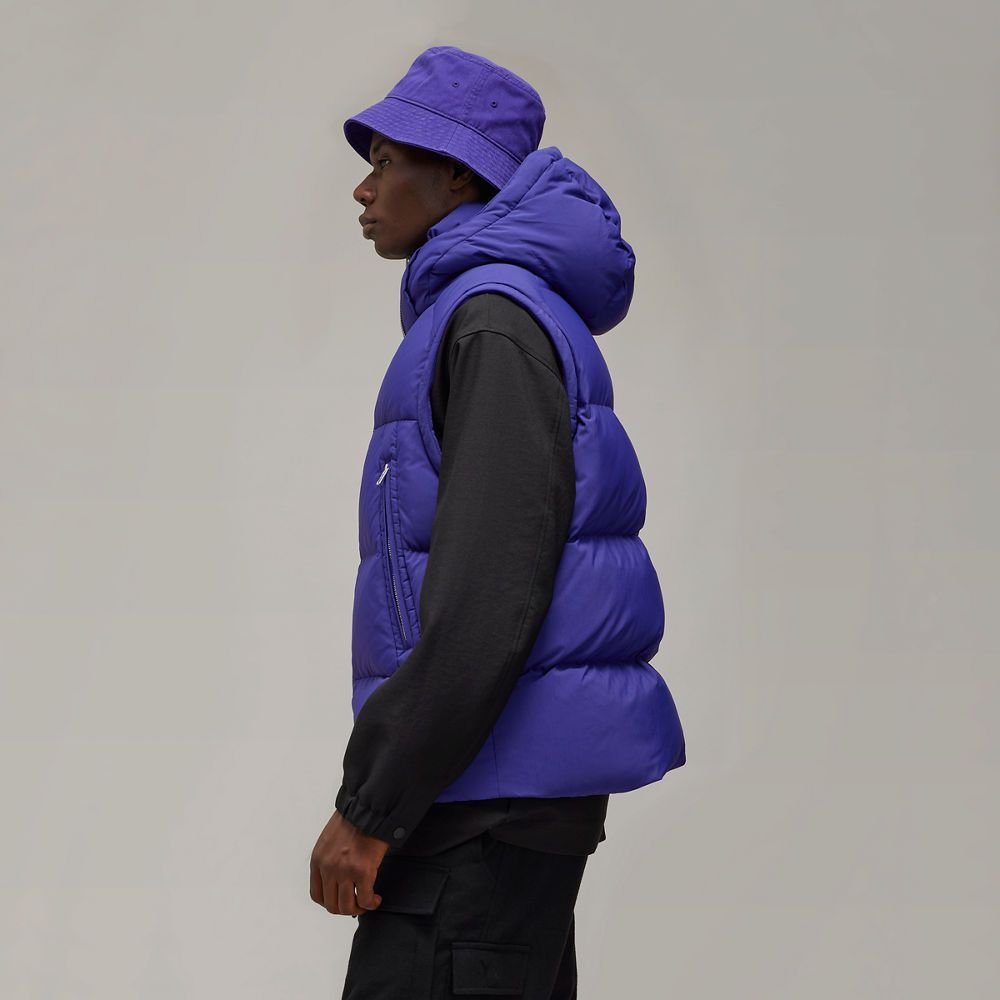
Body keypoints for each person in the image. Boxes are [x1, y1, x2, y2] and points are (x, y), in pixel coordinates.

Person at [309, 45, 686, 999]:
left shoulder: (492, 322)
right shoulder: (486, 317)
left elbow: (490, 595)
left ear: (459, 177)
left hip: (478, 806)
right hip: (489, 795)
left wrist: (372, 806)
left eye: (386, 161)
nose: (363, 188)